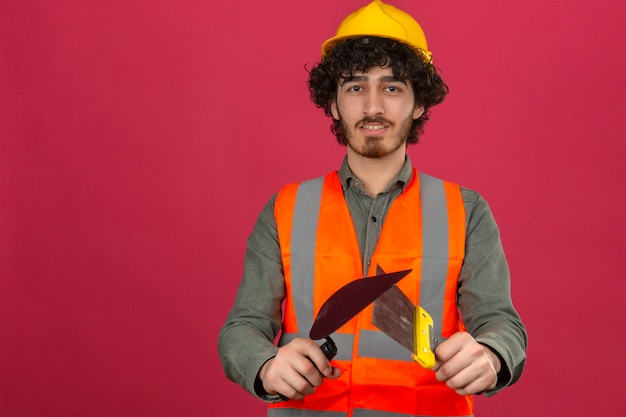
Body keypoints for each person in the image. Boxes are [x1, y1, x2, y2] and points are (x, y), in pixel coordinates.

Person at [218, 1, 527, 415]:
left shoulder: (467, 212)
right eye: (356, 87)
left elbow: (503, 326)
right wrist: (266, 365)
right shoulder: (284, 210)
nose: (373, 107)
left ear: (419, 104)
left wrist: (491, 355)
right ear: (333, 103)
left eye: (393, 87)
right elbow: (242, 329)